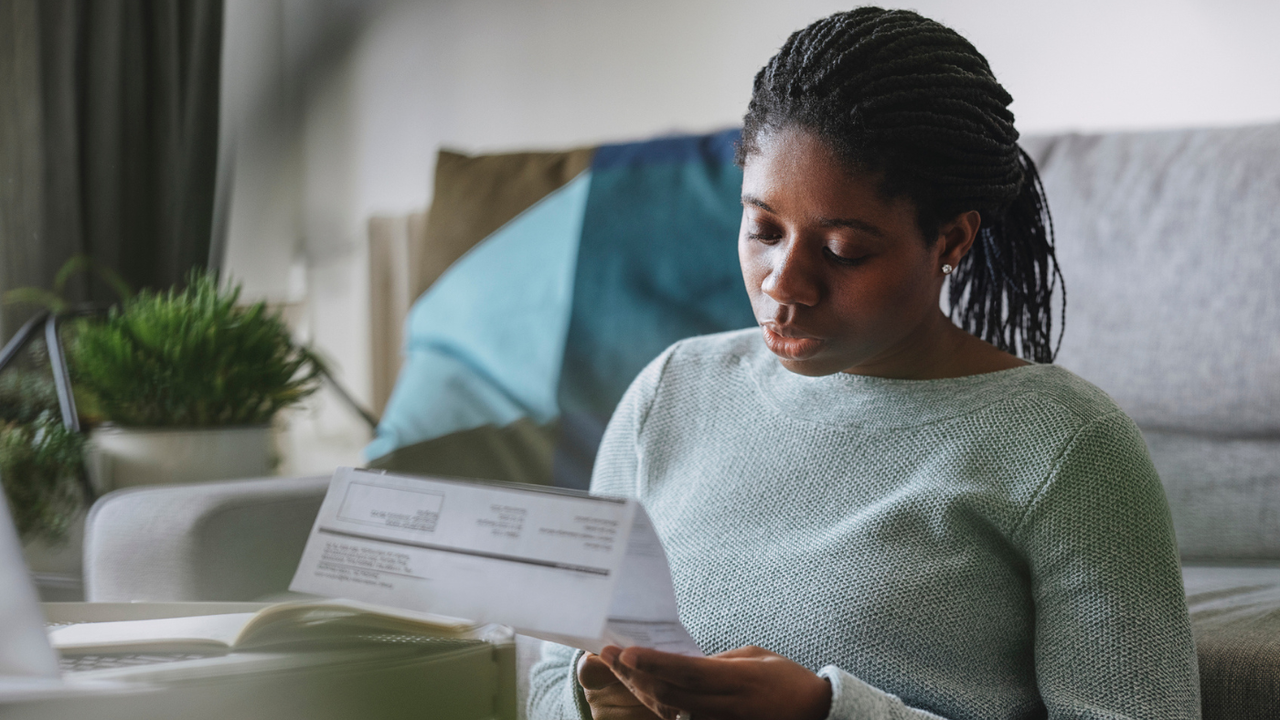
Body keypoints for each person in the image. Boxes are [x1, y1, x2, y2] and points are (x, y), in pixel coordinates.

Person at [529, 7, 1199, 720]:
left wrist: (826, 713)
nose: (784, 284)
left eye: (844, 250)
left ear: (951, 240)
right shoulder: (670, 393)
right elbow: (545, 680)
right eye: (763, 230)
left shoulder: (1067, 448)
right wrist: (593, 701)